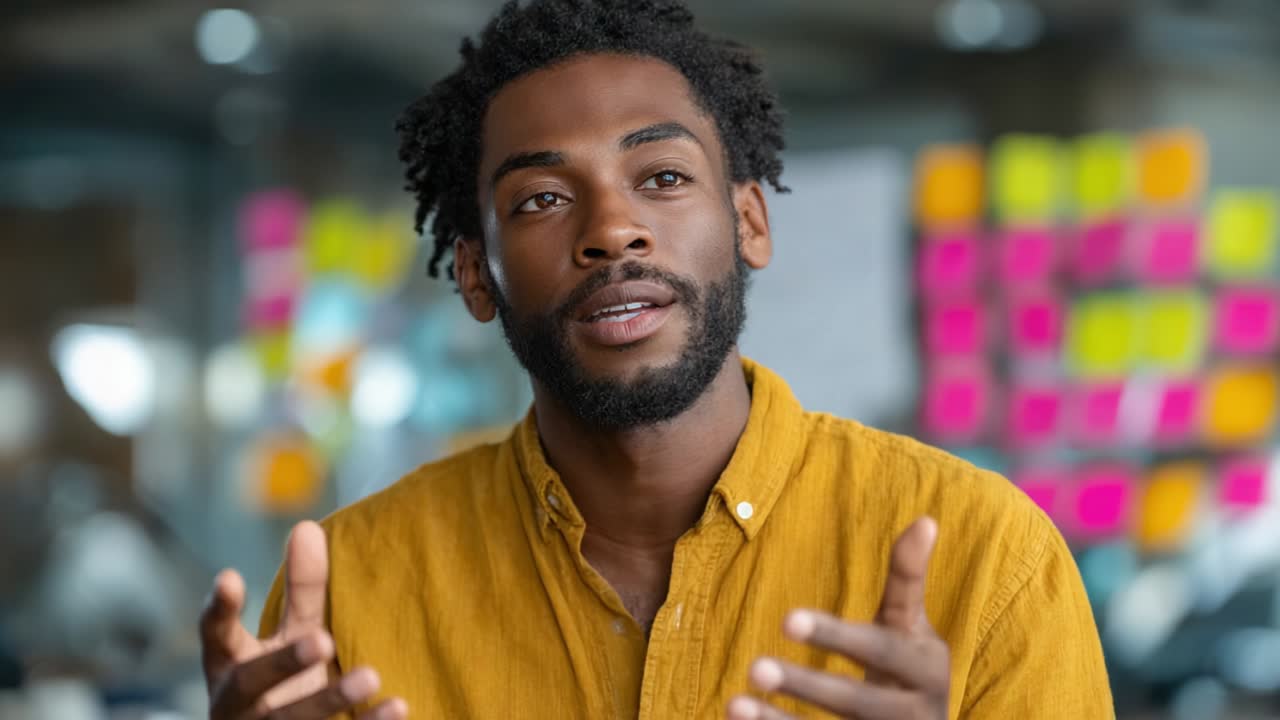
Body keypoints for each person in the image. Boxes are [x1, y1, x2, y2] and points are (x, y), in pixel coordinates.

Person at [199, 1, 1114, 718]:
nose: (611, 230)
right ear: (476, 276)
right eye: (543, 199)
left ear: (749, 222)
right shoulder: (353, 590)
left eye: (664, 178)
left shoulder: (988, 557)